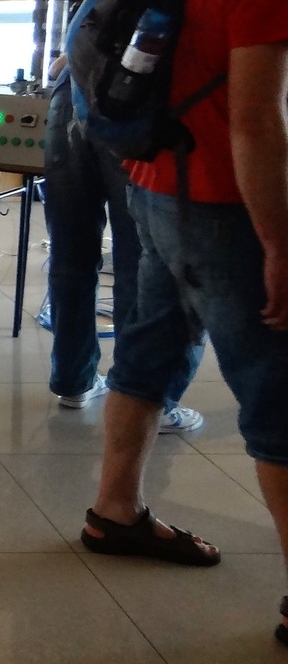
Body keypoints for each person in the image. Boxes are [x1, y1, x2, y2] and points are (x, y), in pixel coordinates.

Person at [77, 0, 288, 648]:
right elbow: (255, 120)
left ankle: (116, 509)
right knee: (277, 387)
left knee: (151, 347)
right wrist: (280, 244)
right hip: (217, 205)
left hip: (157, 182)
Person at [42, 72, 203, 430]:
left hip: (72, 94)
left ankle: (75, 380)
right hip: (146, 102)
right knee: (146, 263)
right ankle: (150, 399)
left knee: (70, 256)